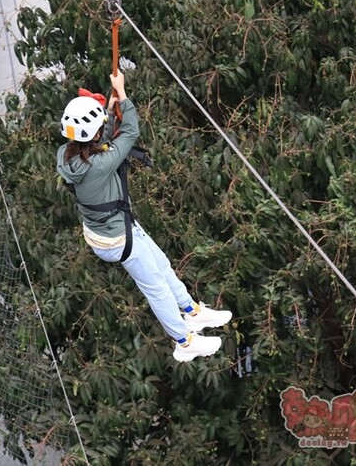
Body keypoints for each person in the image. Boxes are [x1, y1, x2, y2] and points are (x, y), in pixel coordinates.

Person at [56, 72, 233, 362]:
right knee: (156, 288)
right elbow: (129, 134)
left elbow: (102, 142)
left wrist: (108, 111)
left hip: (116, 228)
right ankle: (184, 341)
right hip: (116, 239)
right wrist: (122, 95)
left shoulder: (66, 154)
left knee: (162, 265)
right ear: (95, 133)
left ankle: (192, 312)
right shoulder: (99, 165)